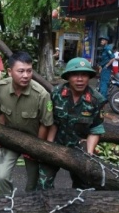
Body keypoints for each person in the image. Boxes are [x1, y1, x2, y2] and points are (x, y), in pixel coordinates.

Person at [38, 58, 107, 190]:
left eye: (84, 75)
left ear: (89, 77)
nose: (80, 79)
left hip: (79, 148)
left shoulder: (96, 100)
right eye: (75, 75)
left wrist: (89, 153)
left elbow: (96, 129)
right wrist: (49, 146)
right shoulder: (56, 94)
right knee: (43, 183)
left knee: (83, 187)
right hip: (57, 144)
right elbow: (52, 122)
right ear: (68, 77)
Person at [0, 51, 53, 195]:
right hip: (11, 139)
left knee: (33, 181)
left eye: (29, 71)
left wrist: (36, 148)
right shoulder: (0, 88)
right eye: (21, 71)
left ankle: (28, 205)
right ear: (9, 71)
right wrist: (2, 137)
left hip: (32, 142)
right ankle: (10, 202)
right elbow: (0, 113)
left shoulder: (41, 94)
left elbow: (45, 124)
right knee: (1, 177)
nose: (26, 75)